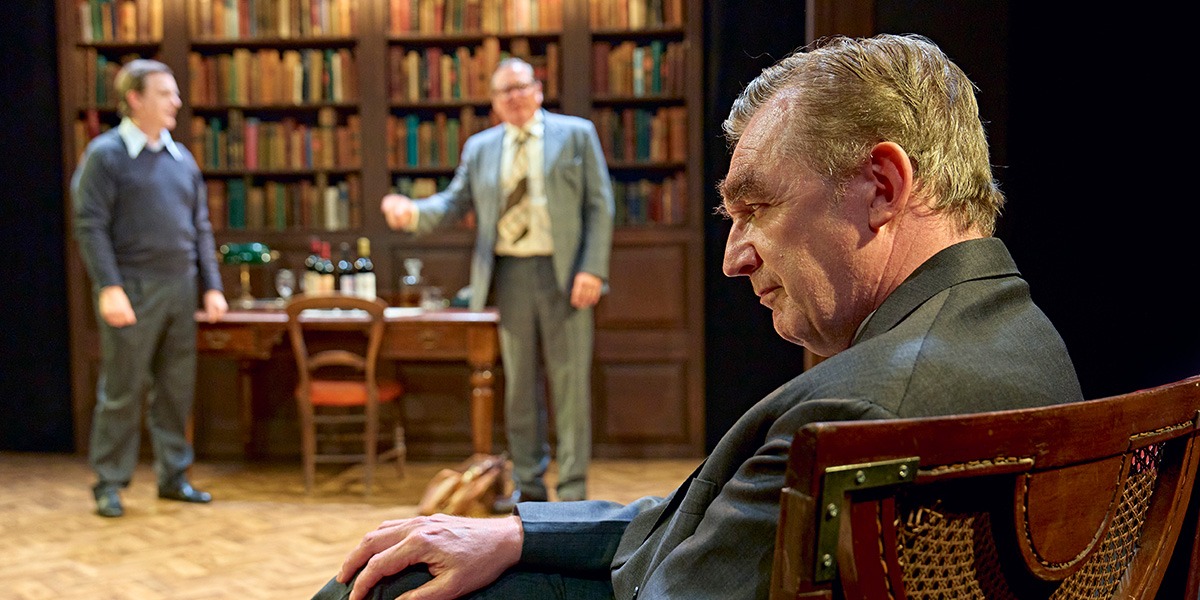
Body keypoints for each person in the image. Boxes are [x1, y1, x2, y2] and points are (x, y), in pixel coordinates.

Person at [313, 34, 1083, 600]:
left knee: (373, 587)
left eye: (756, 208)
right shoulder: (1021, 334)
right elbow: (713, 519)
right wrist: (524, 532)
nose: (733, 258)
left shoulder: (863, 413)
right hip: (509, 281)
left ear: (882, 187)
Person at [381, 57, 614, 506]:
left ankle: (573, 494)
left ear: (539, 90)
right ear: (494, 103)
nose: (514, 97)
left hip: (565, 275)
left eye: (521, 87)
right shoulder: (481, 148)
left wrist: (593, 268)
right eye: (503, 91)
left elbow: (599, 207)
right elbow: (452, 203)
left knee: (570, 388)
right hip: (510, 274)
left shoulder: (576, 134)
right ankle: (528, 488)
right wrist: (413, 214)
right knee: (520, 388)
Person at [72, 59, 227, 518]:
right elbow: (89, 225)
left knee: (176, 389)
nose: (176, 101)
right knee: (122, 389)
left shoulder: (182, 160)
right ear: (135, 99)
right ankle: (109, 483)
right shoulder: (107, 154)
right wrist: (109, 286)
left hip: (180, 286)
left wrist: (211, 287)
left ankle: (173, 476)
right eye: (165, 93)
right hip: (132, 288)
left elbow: (199, 227)